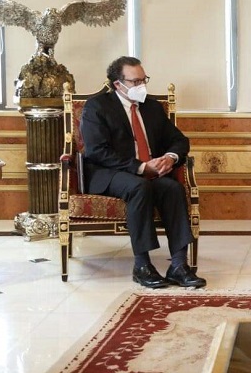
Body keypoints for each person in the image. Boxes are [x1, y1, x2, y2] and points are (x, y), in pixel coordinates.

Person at [80, 56, 205, 289]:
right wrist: (140, 167)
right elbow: (97, 151)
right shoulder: (97, 107)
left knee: (172, 188)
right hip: (109, 173)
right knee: (139, 186)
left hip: (148, 173)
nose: (141, 86)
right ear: (118, 84)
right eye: (135, 81)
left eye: (143, 80)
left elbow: (179, 140)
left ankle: (178, 265)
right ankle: (142, 266)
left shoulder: (151, 107)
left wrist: (170, 157)